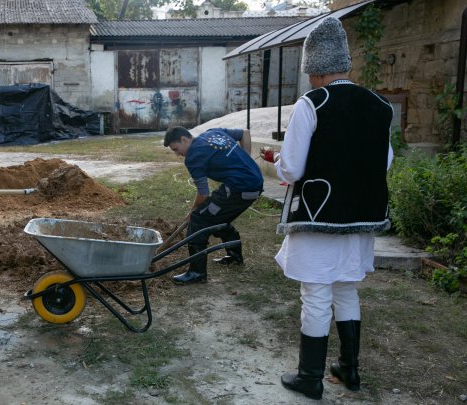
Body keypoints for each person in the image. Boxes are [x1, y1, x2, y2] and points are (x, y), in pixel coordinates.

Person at [260, 17, 394, 400]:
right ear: (346, 64)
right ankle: (350, 370)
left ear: (314, 69)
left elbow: (293, 168)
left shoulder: (313, 103)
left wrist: (280, 164)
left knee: (316, 294)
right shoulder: (379, 105)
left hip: (320, 214)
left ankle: (309, 377)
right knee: (346, 290)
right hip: (363, 216)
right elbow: (384, 162)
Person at [164, 126, 263, 284]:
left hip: (240, 187)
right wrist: (246, 158)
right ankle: (234, 257)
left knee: (199, 219)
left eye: (176, 149)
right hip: (253, 182)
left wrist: (193, 211)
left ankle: (197, 273)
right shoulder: (213, 132)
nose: (177, 154)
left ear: (184, 139)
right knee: (216, 218)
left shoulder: (193, 156)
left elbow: (203, 194)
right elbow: (245, 133)